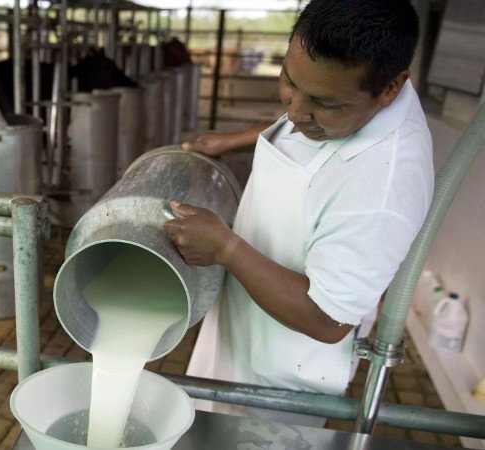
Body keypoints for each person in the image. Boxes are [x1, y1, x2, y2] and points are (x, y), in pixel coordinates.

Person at [163, 0, 433, 426]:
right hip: (240, 330)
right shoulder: (346, 91)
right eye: (289, 80)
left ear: (390, 89)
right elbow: (307, 111)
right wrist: (240, 138)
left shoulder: (383, 185)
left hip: (277, 384)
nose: (293, 112)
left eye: (325, 104)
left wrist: (227, 248)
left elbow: (328, 320)